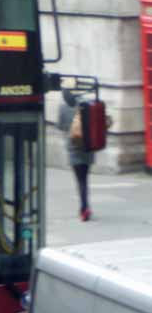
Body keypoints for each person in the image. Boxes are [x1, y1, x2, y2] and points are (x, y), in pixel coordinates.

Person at [57, 89, 94, 221]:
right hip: (87, 147)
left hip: (73, 148)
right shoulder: (84, 105)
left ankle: (84, 208)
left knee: (80, 181)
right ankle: (85, 206)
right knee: (85, 179)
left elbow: (60, 126)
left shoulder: (62, 107)